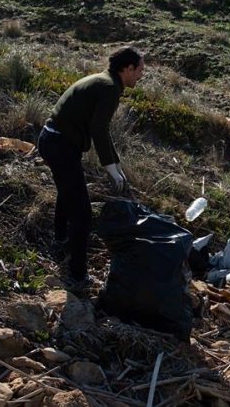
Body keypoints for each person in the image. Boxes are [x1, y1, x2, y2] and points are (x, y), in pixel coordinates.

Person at [37, 47, 144, 289]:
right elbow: (99, 129)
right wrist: (111, 169)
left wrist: (116, 165)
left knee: (69, 192)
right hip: (60, 145)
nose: (141, 75)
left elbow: (100, 130)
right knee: (82, 214)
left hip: (54, 140)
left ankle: (60, 240)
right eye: (139, 70)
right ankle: (77, 277)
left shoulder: (104, 81)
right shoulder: (109, 88)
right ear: (127, 69)